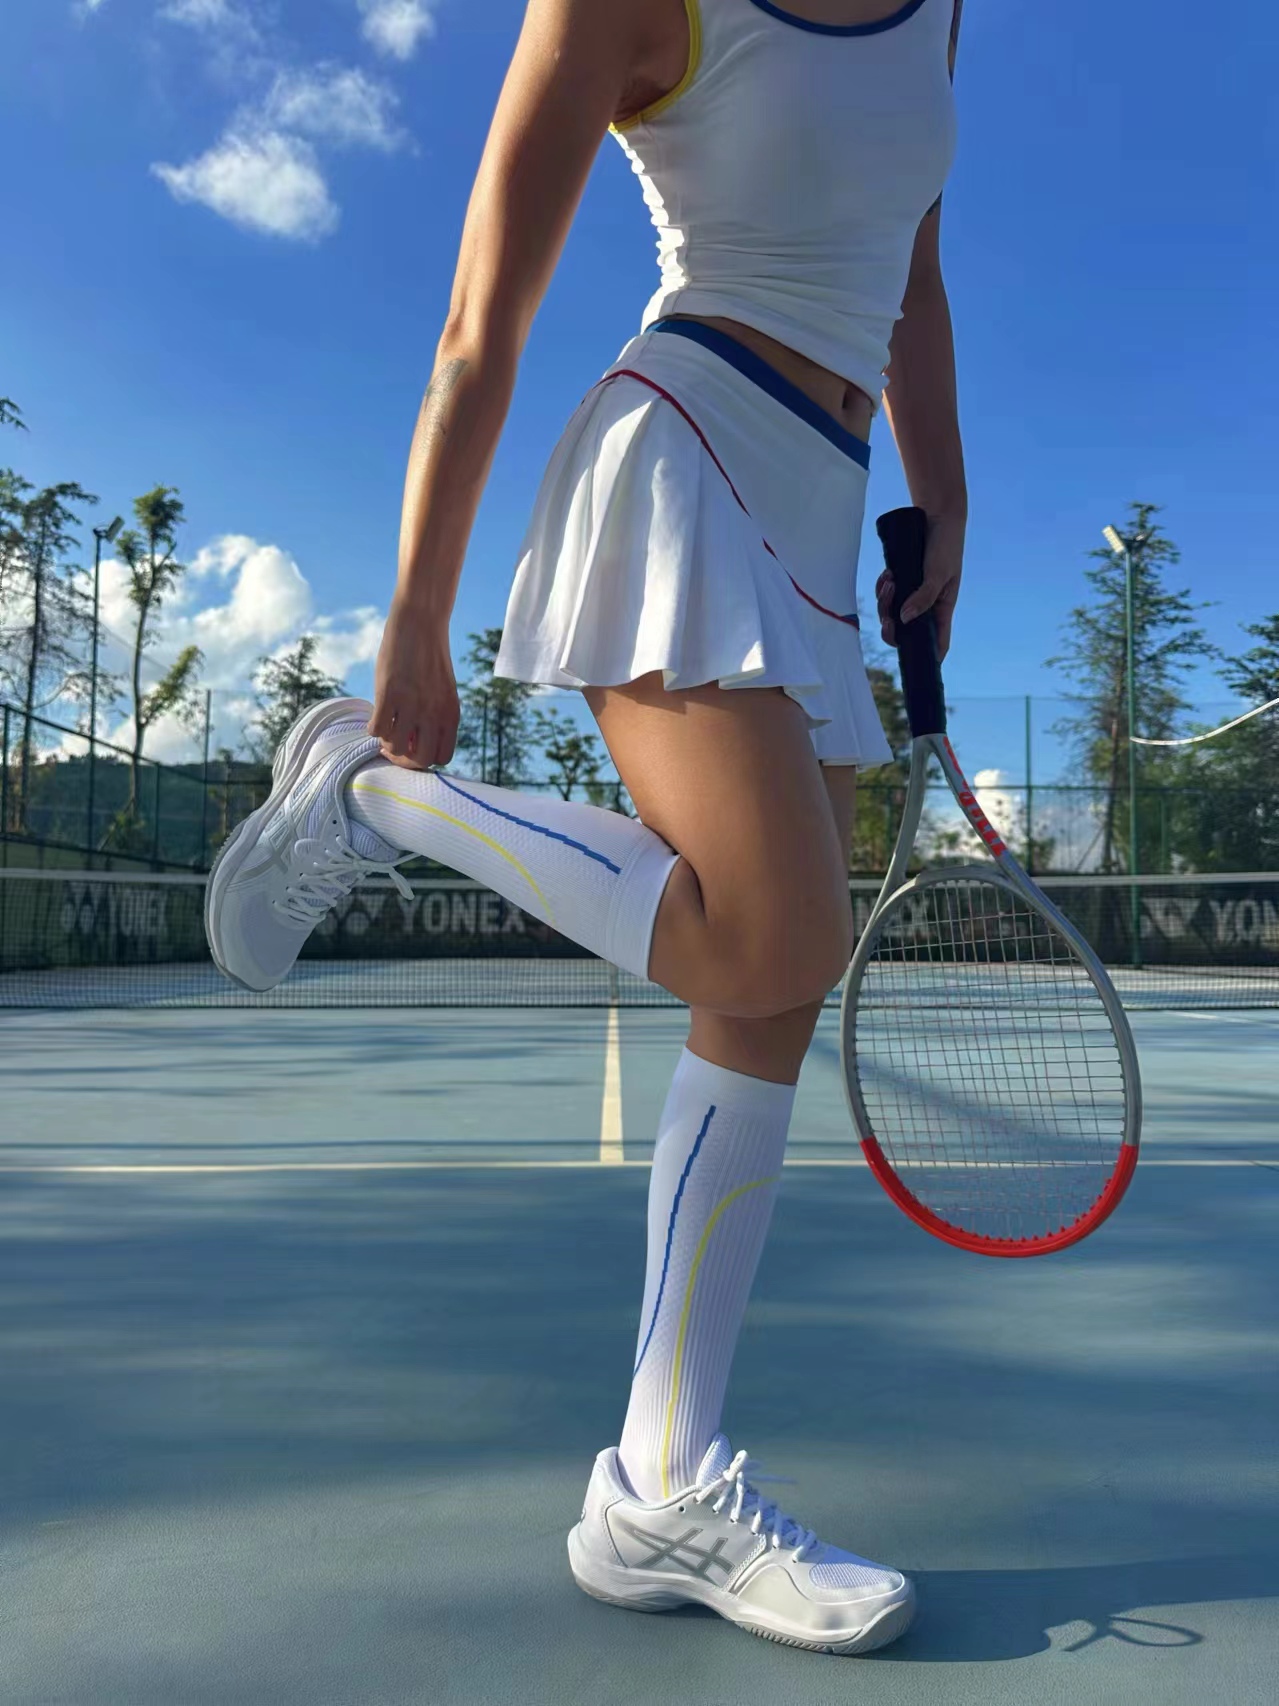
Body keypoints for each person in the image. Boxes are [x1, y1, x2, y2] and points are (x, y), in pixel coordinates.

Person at [206, 0, 966, 1657]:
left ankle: (660, 1486)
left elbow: (911, 246)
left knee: (769, 998)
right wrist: (417, 614)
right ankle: (377, 791)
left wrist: (947, 488)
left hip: (826, 508)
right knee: (775, 932)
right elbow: (482, 317)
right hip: (683, 448)